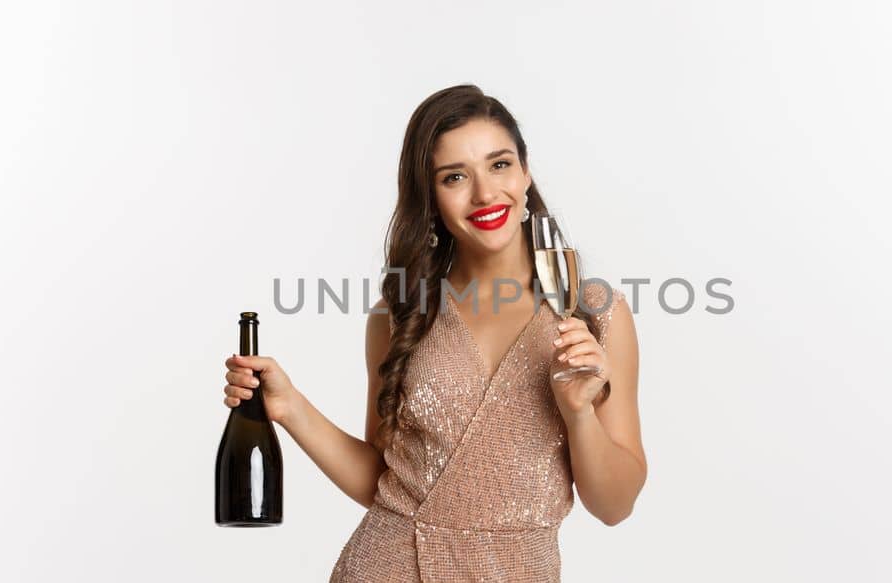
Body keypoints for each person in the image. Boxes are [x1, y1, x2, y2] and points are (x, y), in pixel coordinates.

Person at [222, 84, 646, 581]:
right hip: (388, 565)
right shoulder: (400, 314)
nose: (485, 193)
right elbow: (381, 480)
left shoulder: (596, 314)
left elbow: (615, 506)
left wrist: (579, 416)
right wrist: (288, 406)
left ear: (526, 173)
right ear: (431, 195)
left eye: (500, 164)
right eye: (454, 177)